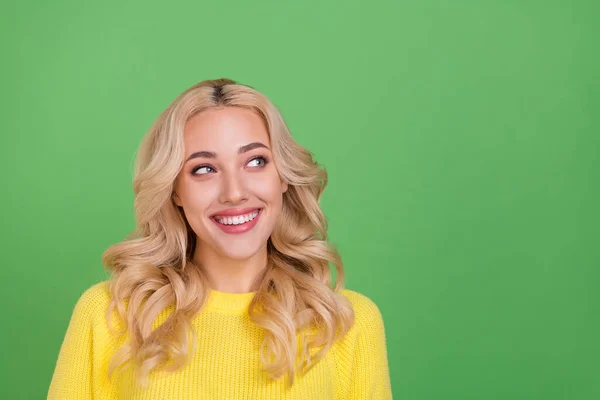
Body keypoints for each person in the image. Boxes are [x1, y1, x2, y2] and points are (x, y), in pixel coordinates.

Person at [47, 78, 393, 399]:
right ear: (175, 191)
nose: (234, 192)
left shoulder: (347, 322)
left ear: (283, 176)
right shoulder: (112, 315)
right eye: (204, 169)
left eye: (256, 161)